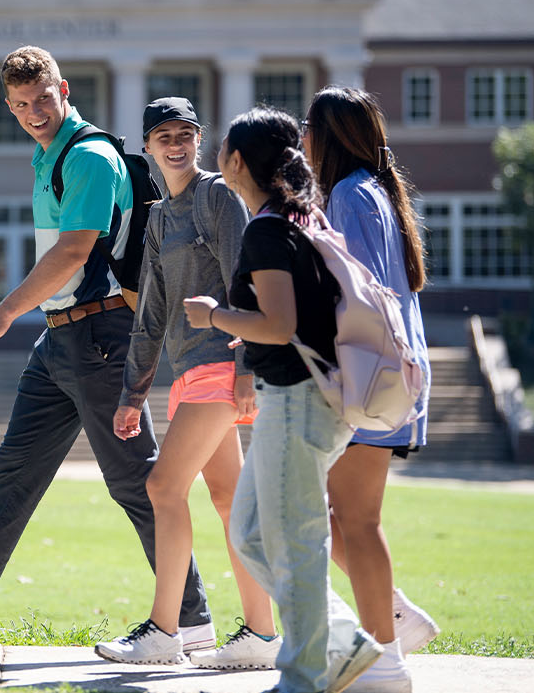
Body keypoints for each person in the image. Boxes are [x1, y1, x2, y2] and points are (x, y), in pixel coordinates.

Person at [0, 46, 214, 650]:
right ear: (9, 108)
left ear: (64, 90)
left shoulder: (85, 156)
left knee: (137, 481)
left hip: (102, 337)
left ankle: (189, 617)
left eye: (42, 98)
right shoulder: (48, 156)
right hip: (64, 337)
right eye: (20, 105)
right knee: (16, 469)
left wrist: (3, 312)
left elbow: (73, 251)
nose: (34, 111)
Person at [183, 106, 382, 693]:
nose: (217, 159)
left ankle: (303, 675)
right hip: (296, 399)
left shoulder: (271, 227)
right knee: (249, 533)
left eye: (221, 150)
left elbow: (278, 322)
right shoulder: (296, 217)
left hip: (298, 400)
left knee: (294, 540)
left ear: (236, 161)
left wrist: (214, 314)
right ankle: (344, 648)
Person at [94, 98, 278, 668]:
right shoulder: (157, 218)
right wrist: (132, 394)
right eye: (163, 136)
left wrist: (248, 367)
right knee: (229, 502)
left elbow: (245, 280)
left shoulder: (216, 196)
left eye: (186, 134)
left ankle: (165, 631)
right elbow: (151, 314)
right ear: (146, 147)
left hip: (222, 365)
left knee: (162, 489)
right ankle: (261, 637)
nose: (176, 144)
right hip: (188, 372)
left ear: (199, 141)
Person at [302, 86, 441, 693]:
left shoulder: (349, 195)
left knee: (351, 519)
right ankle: (394, 628)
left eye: (308, 128)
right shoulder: (374, 190)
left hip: (371, 375)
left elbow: (356, 294)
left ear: (327, 137)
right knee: (345, 516)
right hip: (388, 372)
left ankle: (385, 655)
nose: (301, 140)